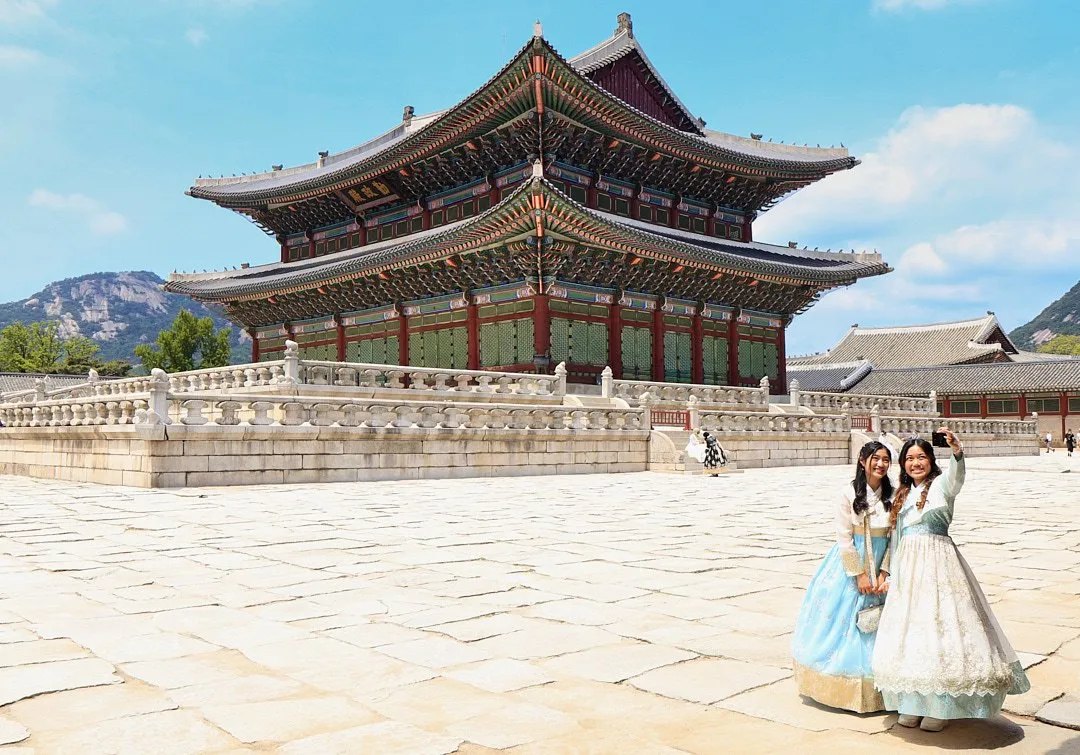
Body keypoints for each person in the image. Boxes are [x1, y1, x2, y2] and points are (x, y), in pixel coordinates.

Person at [872, 429, 1029, 732]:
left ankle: (940, 707)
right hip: (909, 569)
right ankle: (912, 702)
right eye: (909, 458)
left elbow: (957, 477)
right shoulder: (901, 496)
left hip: (939, 564)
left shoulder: (942, 485)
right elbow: (897, 538)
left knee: (941, 628)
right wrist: (890, 572)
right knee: (912, 631)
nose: (915, 463)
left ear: (931, 460)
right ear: (903, 464)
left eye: (921, 457)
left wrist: (957, 451)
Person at [792, 441, 894, 712]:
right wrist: (858, 574)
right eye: (875, 458)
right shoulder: (849, 493)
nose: (881, 464)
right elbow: (844, 538)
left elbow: (895, 537)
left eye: (886, 459)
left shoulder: (893, 494)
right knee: (847, 620)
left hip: (883, 560)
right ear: (862, 461)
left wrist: (885, 571)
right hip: (854, 560)